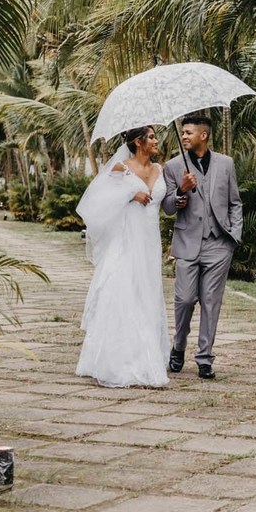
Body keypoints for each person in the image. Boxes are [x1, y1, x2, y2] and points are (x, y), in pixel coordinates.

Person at [74, 126, 170, 387]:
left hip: (150, 241)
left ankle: (148, 351)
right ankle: (120, 359)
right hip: (126, 240)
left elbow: (169, 204)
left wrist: (182, 191)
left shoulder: (161, 170)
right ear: (138, 142)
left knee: (147, 292)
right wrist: (130, 194)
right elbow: (94, 203)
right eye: (151, 137)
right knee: (124, 291)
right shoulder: (120, 168)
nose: (156, 141)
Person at [161, 115, 243, 379]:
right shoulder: (173, 166)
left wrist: (234, 235)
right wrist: (181, 192)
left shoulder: (226, 164)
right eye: (182, 133)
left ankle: (205, 358)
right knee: (184, 299)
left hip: (219, 243)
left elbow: (235, 202)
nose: (183, 136)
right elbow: (168, 207)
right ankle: (178, 346)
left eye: (188, 133)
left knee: (211, 302)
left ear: (203, 135)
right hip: (187, 242)